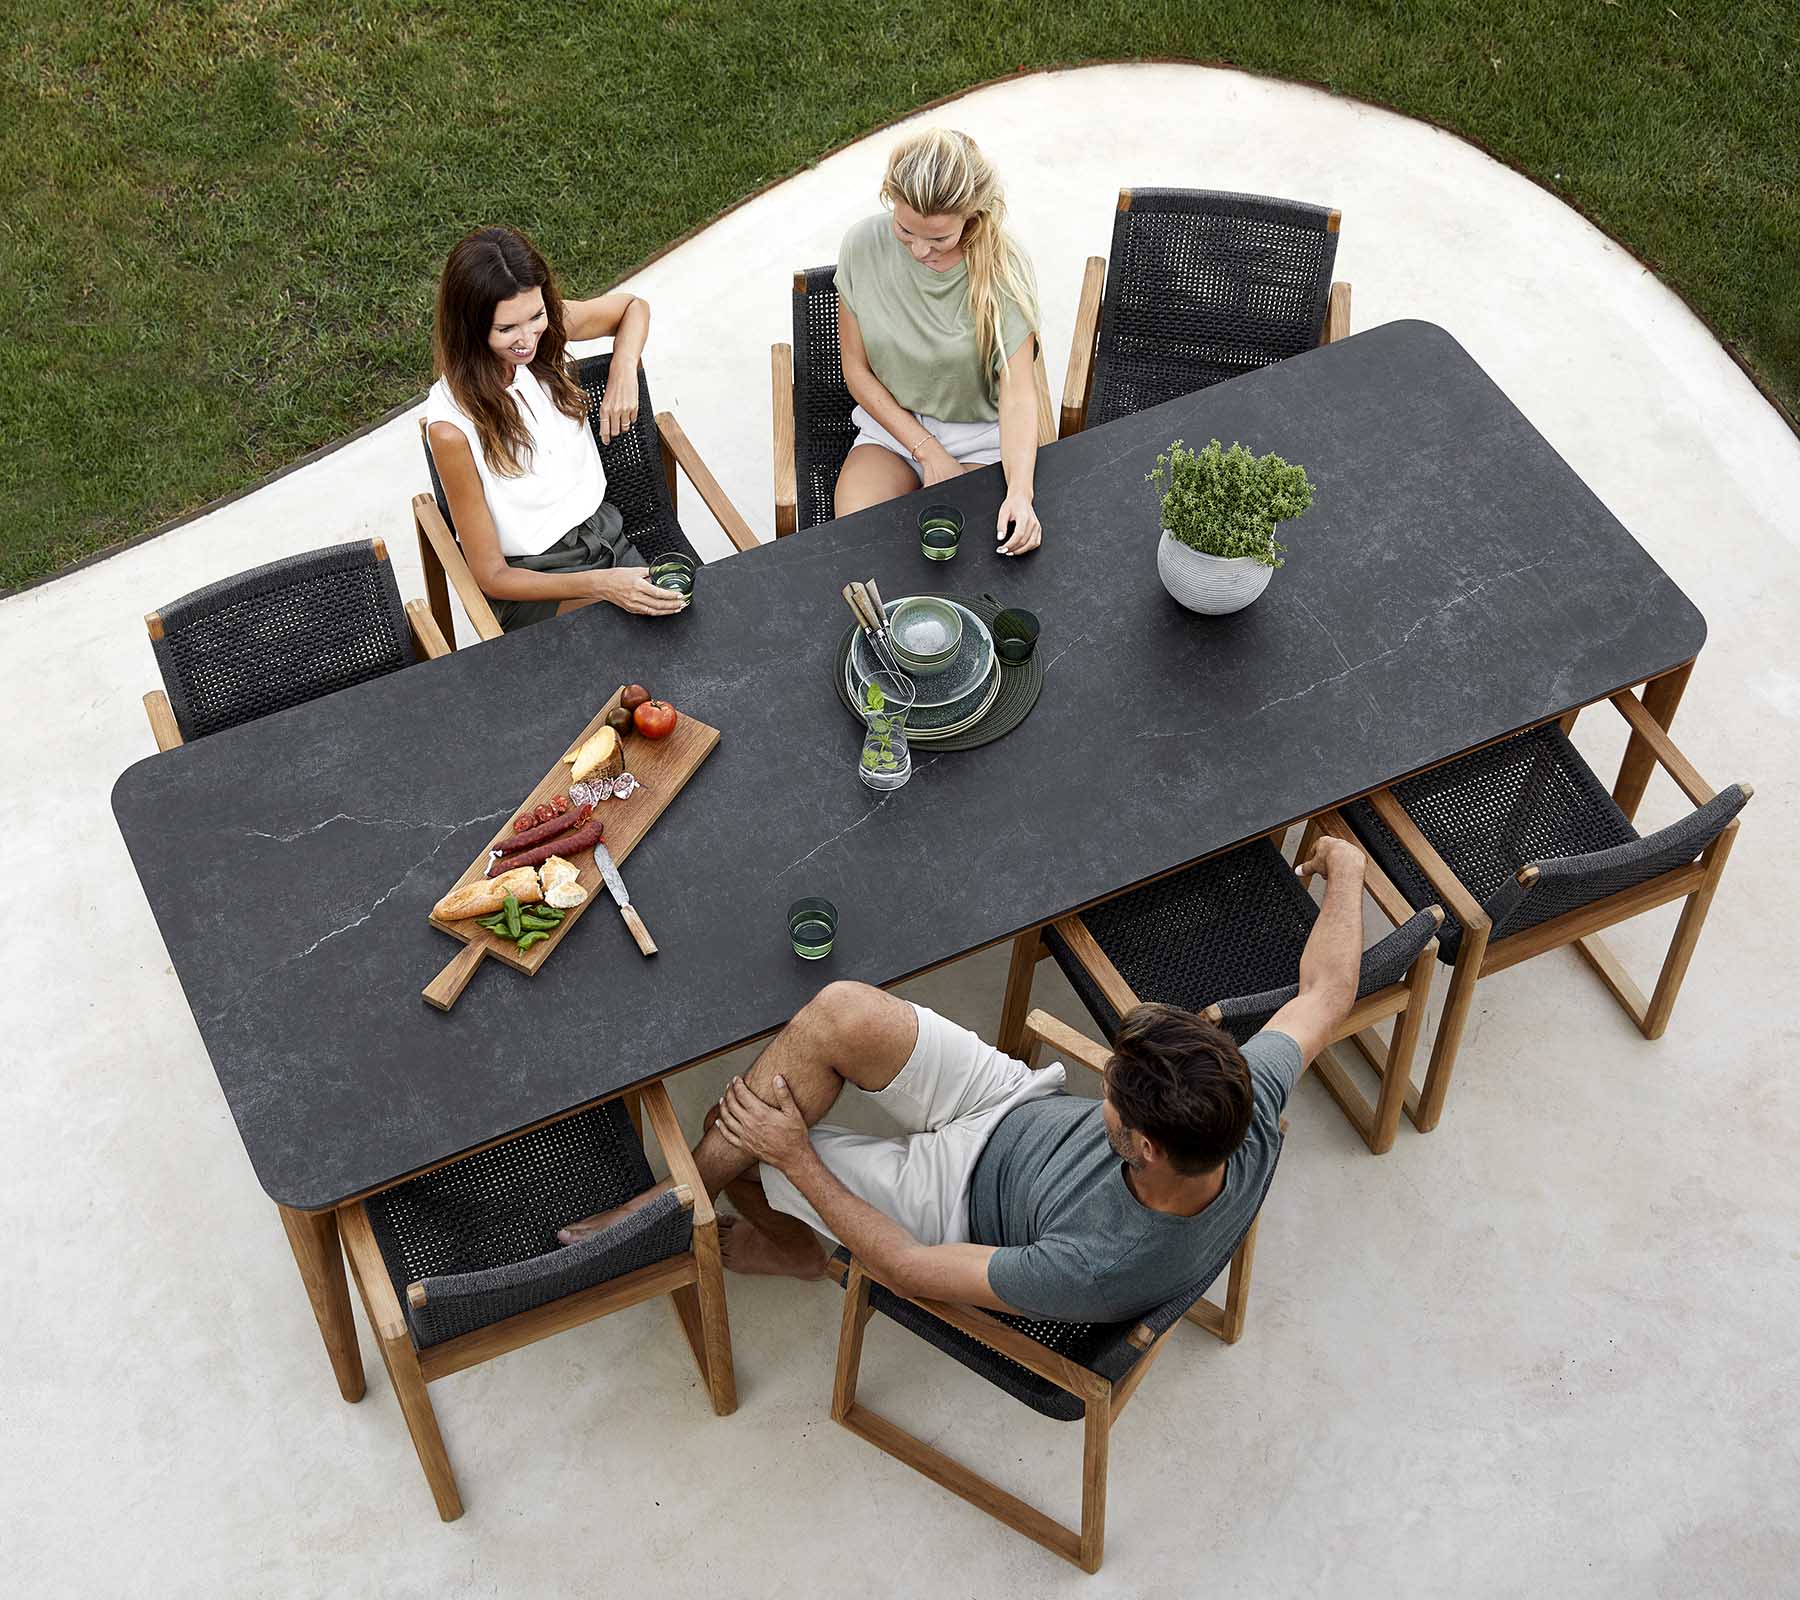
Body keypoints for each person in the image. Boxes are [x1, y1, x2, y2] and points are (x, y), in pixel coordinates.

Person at [561, 837, 1369, 1326]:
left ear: (1147, 1146)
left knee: (742, 1128)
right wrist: (1348, 865)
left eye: (1114, 1101)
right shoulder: (1240, 1100)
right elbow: (1327, 991)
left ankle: (771, 1239)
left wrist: (799, 1158)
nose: (1107, 1095)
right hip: (1009, 1103)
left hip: (950, 1209)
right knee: (842, 1011)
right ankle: (676, 1197)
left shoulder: (1104, 1264)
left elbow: (913, 1271)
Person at [425, 226, 688, 631]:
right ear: (470, 327)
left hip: (607, 539)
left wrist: (623, 368)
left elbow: (633, 307)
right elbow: (492, 575)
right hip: (537, 583)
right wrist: (605, 585)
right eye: (506, 329)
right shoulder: (452, 429)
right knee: (625, 654)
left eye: (536, 316)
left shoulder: (543, 332)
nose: (527, 338)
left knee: (680, 642)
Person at [833, 128, 1045, 555]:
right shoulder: (860, 247)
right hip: (893, 425)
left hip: (978, 437)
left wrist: (1021, 493)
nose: (918, 251)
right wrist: (926, 449)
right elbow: (856, 370)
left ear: (972, 216)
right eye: (905, 230)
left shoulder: (1004, 270)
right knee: (856, 543)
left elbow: (1019, 394)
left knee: (959, 557)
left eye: (938, 238)